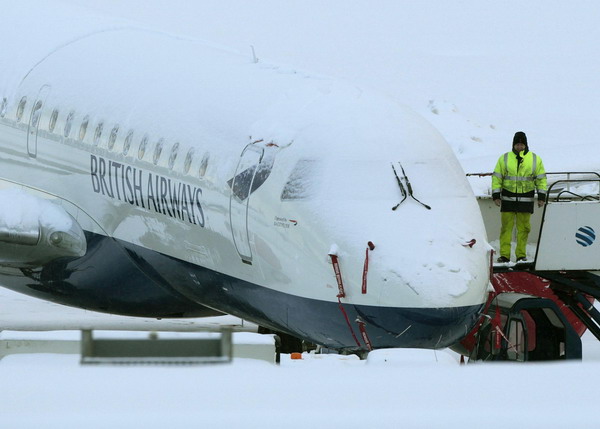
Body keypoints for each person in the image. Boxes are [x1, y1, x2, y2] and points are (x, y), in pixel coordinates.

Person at [492, 131, 547, 263]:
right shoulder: (504, 158)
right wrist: (495, 195)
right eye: (517, 144)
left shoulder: (535, 159)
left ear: (526, 145)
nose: (519, 147)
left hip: (526, 200)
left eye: (522, 144)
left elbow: (541, 179)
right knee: (506, 229)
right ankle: (504, 255)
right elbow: (497, 177)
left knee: (524, 229)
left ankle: (521, 255)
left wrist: (541, 196)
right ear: (513, 144)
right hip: (507, 199)